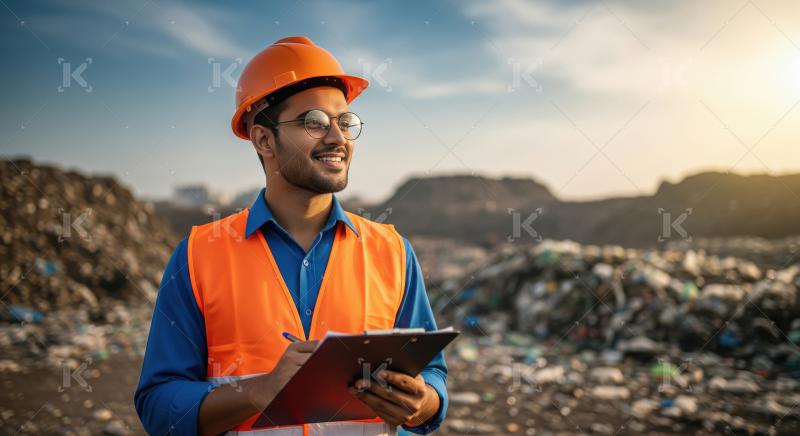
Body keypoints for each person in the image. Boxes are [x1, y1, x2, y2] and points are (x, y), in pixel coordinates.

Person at [134, 36, 448, 436]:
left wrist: (423, 403)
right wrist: (257, 392)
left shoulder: (392, 251)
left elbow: (433, 375)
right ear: (264, 140)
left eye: (345, 122)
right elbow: (159, 407)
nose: (338, 138)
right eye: (315, 122)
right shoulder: (198, 256)